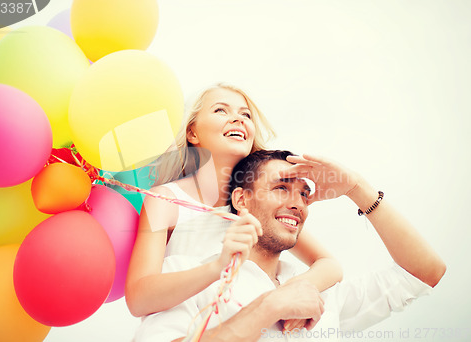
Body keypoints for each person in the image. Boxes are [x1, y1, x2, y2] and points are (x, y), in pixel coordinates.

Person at [133, 150, 446, 342]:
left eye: (303, 194)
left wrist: (357, 188)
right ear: (242, 200)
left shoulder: (319, 293)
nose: (297, 204)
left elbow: (424, 273)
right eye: (281, 187)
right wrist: (271, 306)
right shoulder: (188, 275)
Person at [125, 84, 343, 331]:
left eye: (246, 115)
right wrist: (217, 267)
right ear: (192, 133)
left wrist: (291, 291)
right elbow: (138, 298)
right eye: (221, 110)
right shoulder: (165, 200)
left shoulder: (258, 204)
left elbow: (329, 265)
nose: (238, 119)